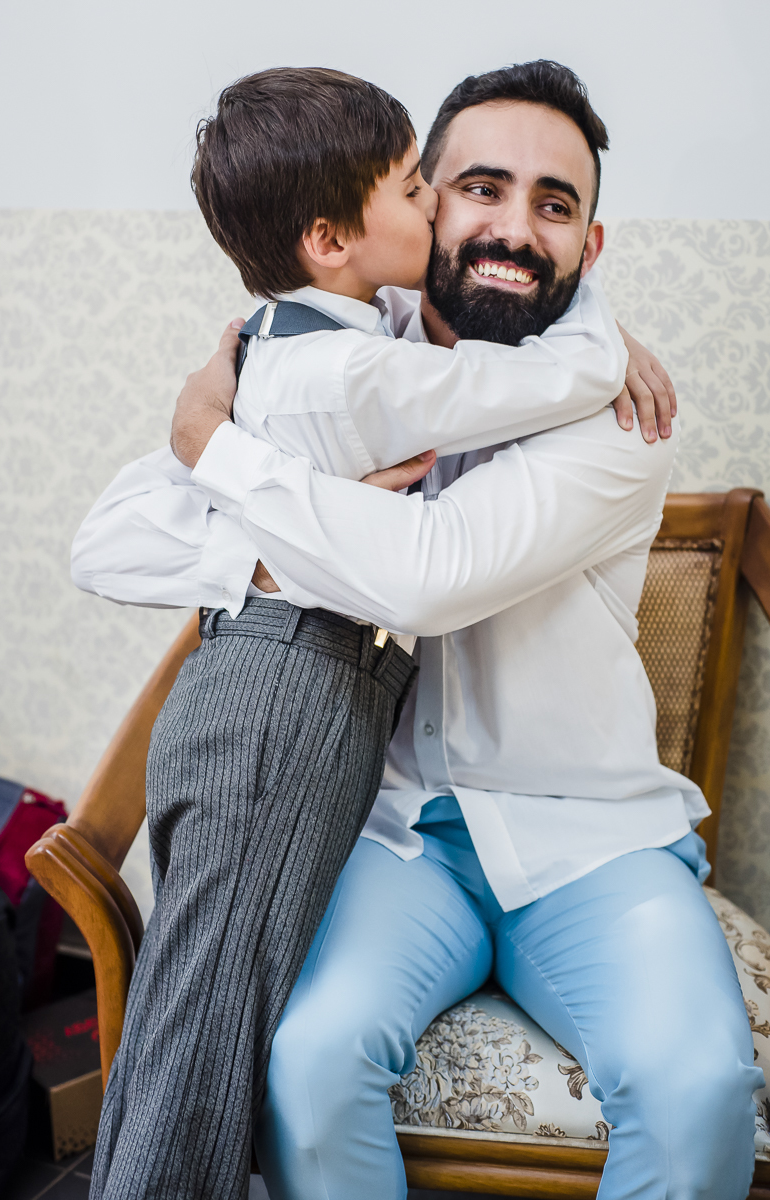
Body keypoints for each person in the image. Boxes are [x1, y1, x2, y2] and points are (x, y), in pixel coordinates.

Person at [76, 62, 762, 1199]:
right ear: (419, 202)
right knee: (304, 1067)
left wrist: (222, 451)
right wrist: (254, 535)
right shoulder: (330, 355)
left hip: (588, 841)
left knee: (699, 1092)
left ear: (591, 248)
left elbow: (427, 579)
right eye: (480, 187)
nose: (512, 226)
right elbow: (113, 540)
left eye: (555, 205)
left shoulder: (618, 416)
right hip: (393, 834)